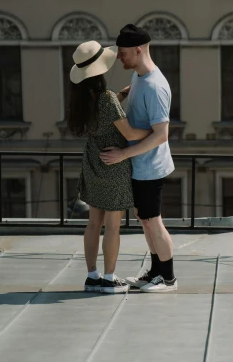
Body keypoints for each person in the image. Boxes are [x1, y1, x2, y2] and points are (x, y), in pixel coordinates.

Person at [68, 39, 151, 295]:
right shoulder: (105, 99)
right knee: (113, 225)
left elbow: (102, 114)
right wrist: (156, 130)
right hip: (113, 164)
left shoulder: (83, 97)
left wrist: (122, 96)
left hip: (92, 162)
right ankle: (110, 279)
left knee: (94, 223)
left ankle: (92, 277)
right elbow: (131, 133)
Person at [100, 24, 177, 294]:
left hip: (150, 167)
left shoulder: (154, 86)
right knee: (146, 218)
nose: (119, 58)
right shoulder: (140, 77)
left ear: (138, 50)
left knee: (153, 221)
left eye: (122, 53)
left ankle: (167, 278)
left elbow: (161, 135)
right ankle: (156, 272)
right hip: (142, 165)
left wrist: (122, 154)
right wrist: (122, 95)